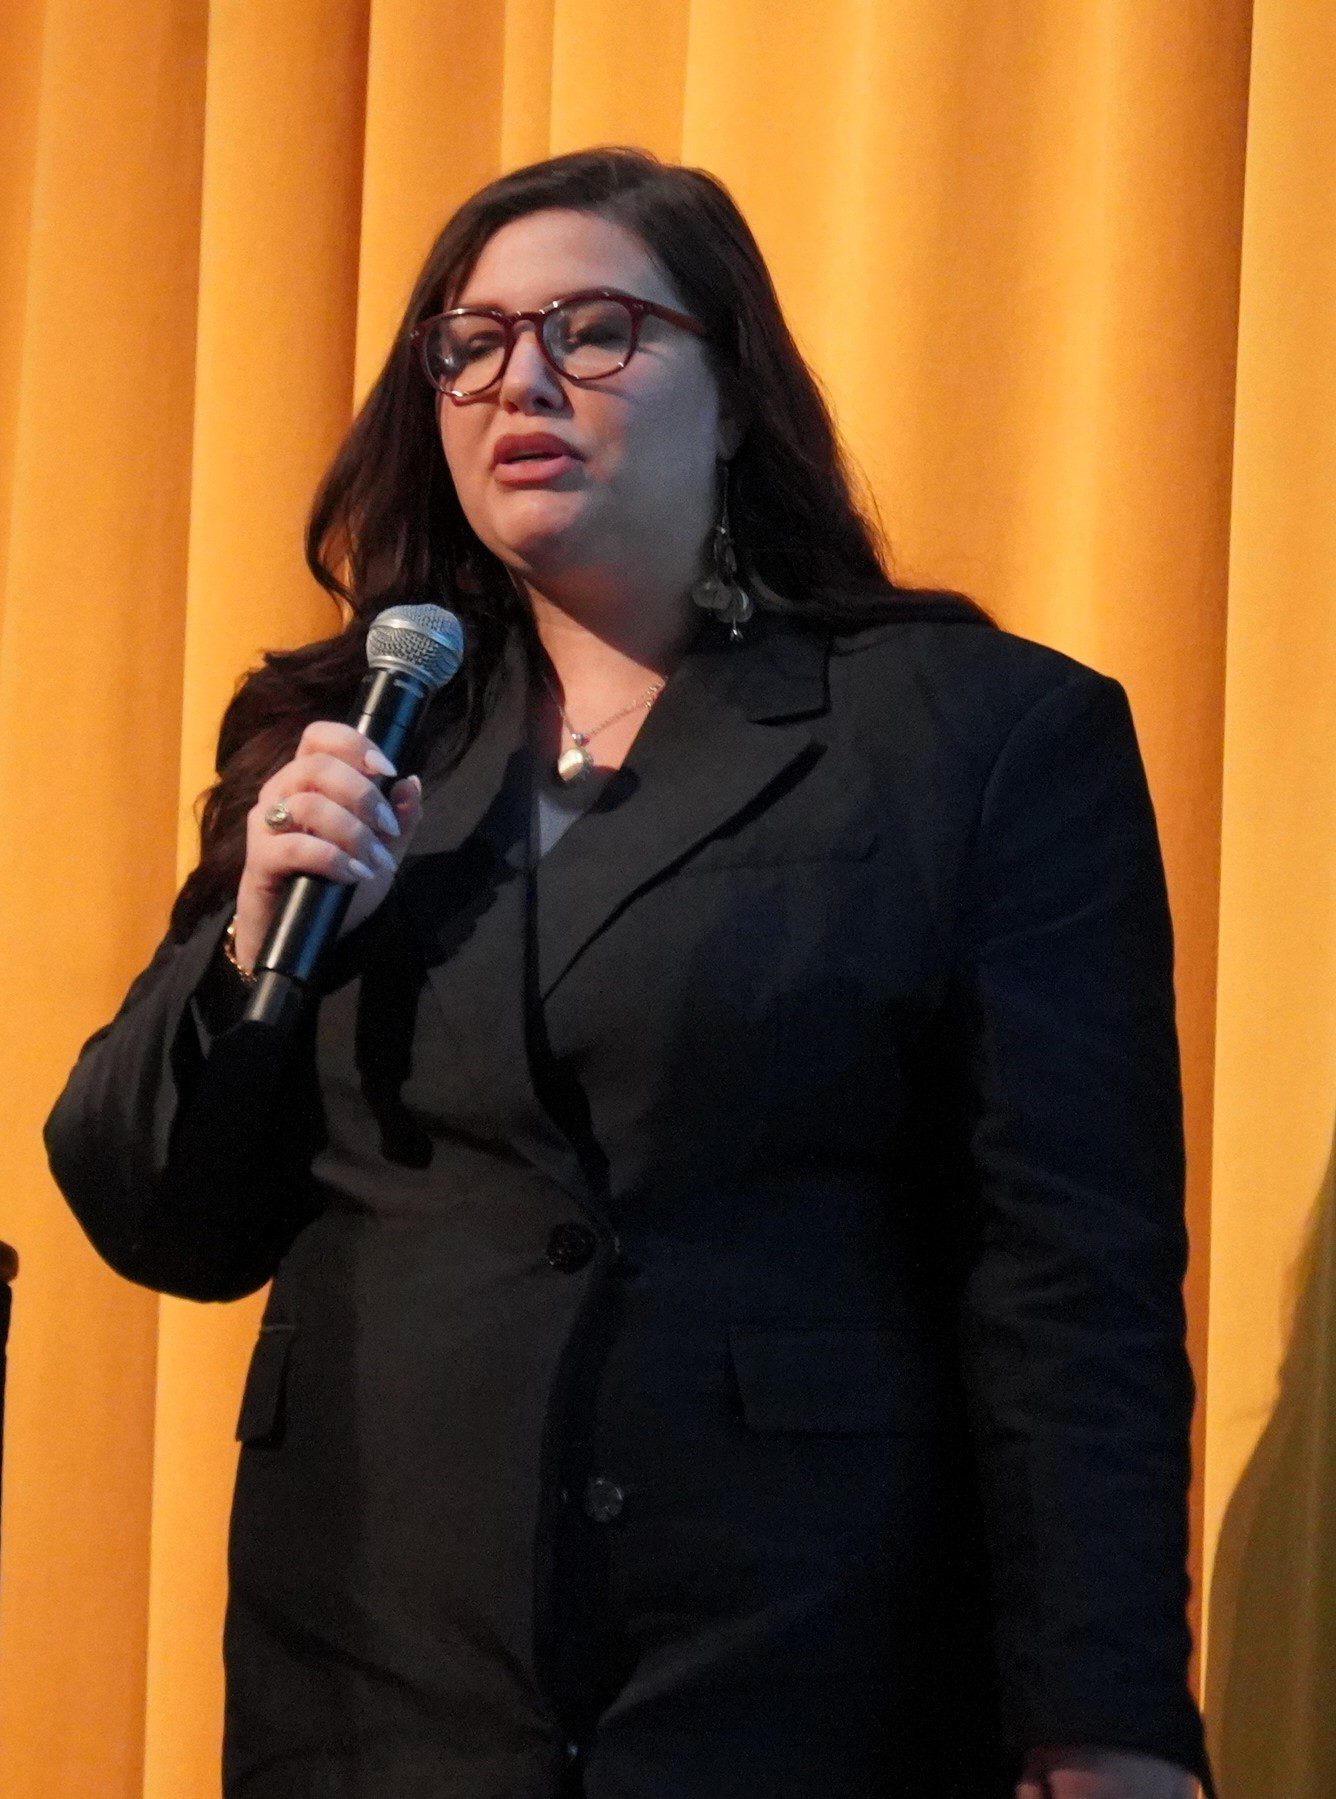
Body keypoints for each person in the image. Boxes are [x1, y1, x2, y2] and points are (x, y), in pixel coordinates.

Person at [44, 146, 1215, 1799]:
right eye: (469, 346)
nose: (520, 381)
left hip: (797, 1674)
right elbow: (158, 1219)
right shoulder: (349, 735)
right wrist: (253, 936)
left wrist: (1104, 1720)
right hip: (376, 1687)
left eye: (594, 330)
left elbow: (1072, 1279)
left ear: (734, 399)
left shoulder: (977, 737)